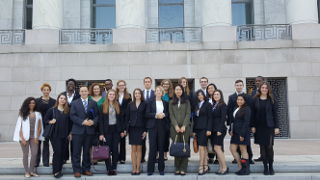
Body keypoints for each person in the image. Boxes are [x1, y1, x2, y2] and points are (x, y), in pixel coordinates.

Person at [251, 82, 280, 175]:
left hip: (269, 127)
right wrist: (253, 126)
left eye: (266, 88)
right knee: (262, 147)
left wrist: (276, 127)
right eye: (262, 88)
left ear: (268, 89)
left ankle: (271, 166)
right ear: (260, 89)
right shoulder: (255, 99)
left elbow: (275, 114)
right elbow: (253, 114)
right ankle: (265, 167)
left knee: (269, 146)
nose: (264, 89)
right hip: (259, 127)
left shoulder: (271, 99)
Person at [70, 86, 99, 178]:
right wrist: (82, 122)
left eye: (85, 91)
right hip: (78, 131)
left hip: (89, 131)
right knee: (76, 152)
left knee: (87, 152)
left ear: (88, 92)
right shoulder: (74, 103)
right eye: (82, 91)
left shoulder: (93, 103)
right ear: (79, 92)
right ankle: (77, 170)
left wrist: (93, 121)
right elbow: (72, 116)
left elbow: (97, 115)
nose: (83, 92)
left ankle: (86, 169)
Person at [13, 97, 44, 178]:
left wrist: (37, 136)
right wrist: (22, 138)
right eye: (30, 103)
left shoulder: (38, 113)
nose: (32, 104)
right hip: (24, 137)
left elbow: (40, 126)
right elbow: (19, 126)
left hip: (34, 137)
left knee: (34, 153)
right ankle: (26, 171)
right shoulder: (22, 113)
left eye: (33, 103)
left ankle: (31, 171)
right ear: (27, 104)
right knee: (25, 154)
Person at [227, 80, 254, 164]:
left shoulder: (248, 97)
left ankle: (248, 158)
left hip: (244, 125)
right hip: (235, 125)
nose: (239, 87)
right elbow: (229, 111)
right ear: (235, 86)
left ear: (243, 86)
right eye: (237, 85)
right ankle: (237, 158)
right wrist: (230, 126)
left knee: (245, 145)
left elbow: (251, 111)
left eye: (240, 85)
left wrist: (252, 125)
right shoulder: (231, 97)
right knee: (236, 145)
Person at [44, 94, 70, 178]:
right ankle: (55, 171)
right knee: (57, 152)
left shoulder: (67, 110)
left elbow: (70, 124)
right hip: (55, 135)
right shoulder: (52, 110)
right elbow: (45, 120)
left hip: (65, 135)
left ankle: (59, 169)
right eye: (61, 98)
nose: (62, 100)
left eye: (64, 99)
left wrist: (70, 133)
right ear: (58, 99)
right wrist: (50, 121)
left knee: (62, 153)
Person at [99, 89, 123, 176]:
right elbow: (100, 121)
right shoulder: (102, 106)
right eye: (110, 94)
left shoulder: (118, 105)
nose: (112, 96)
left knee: (115, 150)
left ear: (115, 96)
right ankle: (109, 169)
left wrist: (121, 130)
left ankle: (114, 168)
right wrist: (101, 133)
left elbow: (121, 119)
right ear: (107, 95)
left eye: (113, 94)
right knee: (107, 150)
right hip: (106, 131)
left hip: (116, 130)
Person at [146, 86, 169, 176]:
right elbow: (147, 114)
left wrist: (164, 114)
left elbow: (168, 113)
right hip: (152, 126)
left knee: (161, 147)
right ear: (155, 92)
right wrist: (155, 115)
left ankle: (161, 169)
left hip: (162, 126)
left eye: (160, 91)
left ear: (162, 93)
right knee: (152, 148)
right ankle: (150, 169)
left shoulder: (165, 103)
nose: (159, 92)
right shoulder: (150, 102)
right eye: (157, 91)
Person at [169, 85, 191, 176]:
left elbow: (188, 114)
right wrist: (176, 126)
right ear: (174, 91)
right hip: (175, 129)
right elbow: (171, 115)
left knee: (184, 148)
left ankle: (183, 168)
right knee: (177, 148)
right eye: (176, 89)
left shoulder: (186, 102)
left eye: (180, 89)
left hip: (185, 129)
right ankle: (177, 168)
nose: (178, 91)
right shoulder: (171, 102)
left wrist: (184, 126)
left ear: (182, 91)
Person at [126, 88, 147, 175]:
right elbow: (127, 118)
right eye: (135, 93)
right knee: (133, 149)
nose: (137, 95)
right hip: (132, 129)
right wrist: (126, 130)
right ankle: (133, 168)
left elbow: (146, 118)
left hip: (141, 129)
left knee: (139, 149)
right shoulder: (130, 104)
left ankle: (138, 168)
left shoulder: (145, 104)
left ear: (141, 95)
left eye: (138, 93)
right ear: (134, 95)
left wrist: (145, 130)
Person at [229, 94, 251, 175]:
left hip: (242, 132)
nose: (239, 101)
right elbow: (233, 121)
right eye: (238, 99)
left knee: (243, 150)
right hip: (235, 132)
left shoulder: (247, 109)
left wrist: (242, 134)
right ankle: (241, 166)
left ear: (244, 101)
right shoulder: (236, 108)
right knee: (232, 149)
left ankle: (246, 169)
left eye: (241, 100)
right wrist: (231, 129)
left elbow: (246, 122)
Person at [35, 83, 56, 167]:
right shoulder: (37, 101)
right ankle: (36, 162)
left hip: (49, 125)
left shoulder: (54, 101)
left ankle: (46, 162)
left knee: (46, 143)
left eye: (48, 90)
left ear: (50, 91)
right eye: (44, 90)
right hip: (39, 125)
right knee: (38, 144)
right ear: (42, 91)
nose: (46, 91)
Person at [192, 90, 212, 175]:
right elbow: (195, 119)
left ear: (204, 95)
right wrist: (193, 130)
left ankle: (201, 165)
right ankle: (206, 165)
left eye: (201, 95)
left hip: (205, 129)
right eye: (198, 95)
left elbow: (210, 118)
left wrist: (209, 129)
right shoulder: (196, 105)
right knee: (203, 148)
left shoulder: (208, 104)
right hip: (198, 129)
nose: (200, 96)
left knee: (201, 147)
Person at [61, 78, 80, 163]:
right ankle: (64, 158)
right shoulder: (62, 95)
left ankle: (74, 159)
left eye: (72, 84)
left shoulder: (78, 96)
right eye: (69, 84)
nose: (71, 85)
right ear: (67, 85)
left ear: (75, 86)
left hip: (74, 122)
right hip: (64, 121)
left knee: (74, 142)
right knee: (64, 141)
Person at [211, 90, 228, 175]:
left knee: (217, 148)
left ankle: (224, 167)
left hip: (219, 130)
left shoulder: (223, 105)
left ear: (221, 95)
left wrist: (220, 130)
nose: (216, 95)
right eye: (214, 94)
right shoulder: (214, 105)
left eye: (218, 94)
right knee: (217, 148)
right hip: (214, 130)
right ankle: (221, 167)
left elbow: (223, 118)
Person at [116, 80, 132, 164]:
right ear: (117, 86)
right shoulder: (114, 95)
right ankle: (116, 157)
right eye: (120, 85)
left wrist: (126, 126)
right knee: (115, 141)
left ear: (125, 86)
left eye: (123, 85)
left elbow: (129, 110)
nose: (121, 86)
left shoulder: (128, 96)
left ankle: (122, 158)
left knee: (122, 140)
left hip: (124, 120)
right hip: (115, 121)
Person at [88, 83, 105, 165]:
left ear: (100, 90)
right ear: (92, 90)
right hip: (91, 122)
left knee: (99, 140)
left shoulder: (104, 99)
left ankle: (98, 157)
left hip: (101, 122)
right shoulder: (89, 98)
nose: (96, 90)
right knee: (90, 140)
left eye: (97, 89)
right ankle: (91, 158)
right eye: (94, 89)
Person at [251, 76, 265, 162]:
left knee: (267, 141)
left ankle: (268, 157)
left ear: (263, 81)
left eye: (259, 81)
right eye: (256, 81)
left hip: (265, 121)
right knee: (260, 139)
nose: (257, 82)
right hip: (257, 120)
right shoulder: (253, 92)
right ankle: (262, 156)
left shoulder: (267, 91)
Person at [142, 77, 154, 162]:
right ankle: (142, 157)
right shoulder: (140, 93)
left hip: (152, 120)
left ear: (151, 83)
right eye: (145, 82)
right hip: (142, 121)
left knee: (153, 140)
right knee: (142, 140)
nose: (147, 83)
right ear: (144, 83)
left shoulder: (155, 93)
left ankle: (153, 157)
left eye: (148, 82)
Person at [160, 79, 173, 160]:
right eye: (164, 84)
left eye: (167, 84)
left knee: (166, 138)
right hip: (159, 118)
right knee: (158, 137)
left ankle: (165, 154)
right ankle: (158, 154)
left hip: (168, 119)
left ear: (169, 85)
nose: (165, 85)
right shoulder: (159, 94)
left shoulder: (171, 95)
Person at [205, 83, 218, 164]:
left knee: (217, 142)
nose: (210, 89)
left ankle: (218, 158)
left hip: (216, 124)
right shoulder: (205, 99)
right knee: (209, 141)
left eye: (212, 88)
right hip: (208, 124)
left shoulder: (217, 98)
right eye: (209, 88)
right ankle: (211, 157)